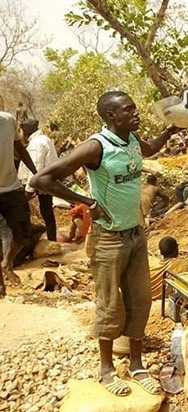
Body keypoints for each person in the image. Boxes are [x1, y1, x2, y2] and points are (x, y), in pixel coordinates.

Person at [31, 91, 175, 396]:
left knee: (140, 301)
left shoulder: (133, 139)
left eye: (135, 108)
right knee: (110, 305)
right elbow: (42, 179)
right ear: (111, 116)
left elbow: (150, 150)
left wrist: (171, 130)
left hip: (135, 235)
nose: (135, 113)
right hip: (107, 239)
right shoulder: (97, 146)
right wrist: (87, 202)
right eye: (128, 109)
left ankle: (136, 365)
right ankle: (107, 369)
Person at [0, 111, 37, 293]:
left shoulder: (8, 120)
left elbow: (20, 149)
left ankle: (7, 262)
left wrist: (36, 173)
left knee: (24, 233)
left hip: (11, 188)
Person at [18, 119, 59, 241]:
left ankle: (29, 241)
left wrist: (29, 190)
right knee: (47, 212)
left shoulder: (37, 143)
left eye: (20, 131)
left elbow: (35, 168)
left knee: (32, 212)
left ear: (25, 132)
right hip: (46, 183)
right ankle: (52, 239)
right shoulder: (43, 139)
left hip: (40, 184)